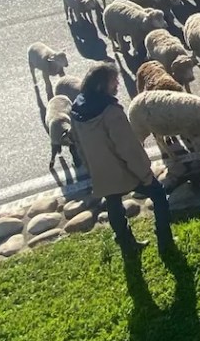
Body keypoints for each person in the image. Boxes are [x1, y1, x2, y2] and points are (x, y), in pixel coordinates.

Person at [70, 62, 174, 256]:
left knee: (113, 203)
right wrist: (144, 173)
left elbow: (77, 143)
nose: (117, 84)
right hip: (124, 170)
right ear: (102, 85)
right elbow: (128, 148)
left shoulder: (77, 109)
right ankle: (165, 240)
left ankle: (126, 245)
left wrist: (91, 169)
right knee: (158, 194)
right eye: (113, 81)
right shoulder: (110, 113)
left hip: (101, 172)